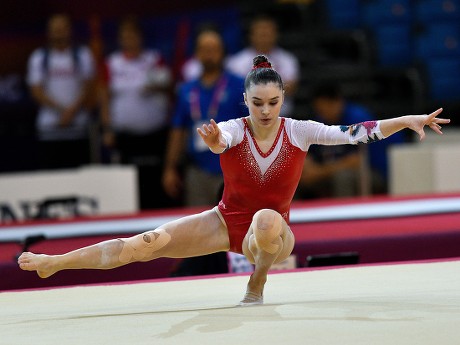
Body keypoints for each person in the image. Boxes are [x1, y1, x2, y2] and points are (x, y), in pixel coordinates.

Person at [17, 55, 449, 305]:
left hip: (275, 230)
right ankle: (57, 262)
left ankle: (256, 282)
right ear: (245, 100)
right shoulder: (235, 127)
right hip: (225, 221)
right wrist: (213, 140)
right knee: (142, 245)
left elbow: (355, 133)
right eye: (257, 102)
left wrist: (406, 119)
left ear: (283, 99)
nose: (265, 110)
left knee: (265, 219)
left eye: (274, 102)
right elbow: (221, 141)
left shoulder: (296, 130)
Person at [162, 28, 246, 206]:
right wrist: (170, 167)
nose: (209, 54)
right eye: (204, 49)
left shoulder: (239, 85)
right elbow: (178, 129)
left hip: (232, 168)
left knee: (233, 222)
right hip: (197, 170)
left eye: (214, 49)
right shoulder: (186, 89)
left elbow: (251, 127)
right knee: (198, 225)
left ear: (222, 52)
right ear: (197, 54)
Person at [100, 17, 173, 209]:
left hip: (154, 133)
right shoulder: (113, 63)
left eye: (133, 35)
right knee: (128, 183)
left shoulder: (153, 59)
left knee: (154, 181)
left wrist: (156, 86)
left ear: (140, 37)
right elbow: (104, 97)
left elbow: (169, 86)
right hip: (126, 136)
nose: (129, 39)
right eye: (125, 36)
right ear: (120, 39)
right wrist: (107, 128)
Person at [298, 82, 402, 198]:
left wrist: (319, 172)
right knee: (295, 176)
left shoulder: (357, 118)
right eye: (319, 111)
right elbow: (310, 153)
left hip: (371, 171)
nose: (322, 114)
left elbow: (356, 161)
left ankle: (344, 214)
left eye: (324, 110)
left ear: (337, 102)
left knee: (343, 177)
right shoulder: (320, 120)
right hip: (332, 170)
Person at [27, 13, 96, 170]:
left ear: (69, 30)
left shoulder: (82, 55)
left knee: (80, 176)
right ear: (49, 32)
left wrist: (72, 110)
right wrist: (61, 111)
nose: (59, 33)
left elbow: (89, 86)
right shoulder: (39, 58)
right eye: (55, 29)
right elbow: (36, 90)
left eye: (62, 28)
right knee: (52, 178)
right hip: (50, 128)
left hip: (78, 127)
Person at [226, 15, 300, 116]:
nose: (264, 38)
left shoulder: (287, 60)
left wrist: (256, 91)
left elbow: (291, 87)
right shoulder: (237, 62)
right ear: (251, 36)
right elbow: (235, 90)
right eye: (261, 34)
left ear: (276, 35)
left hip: (281, 117)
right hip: (247, 117)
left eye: (268, 34)